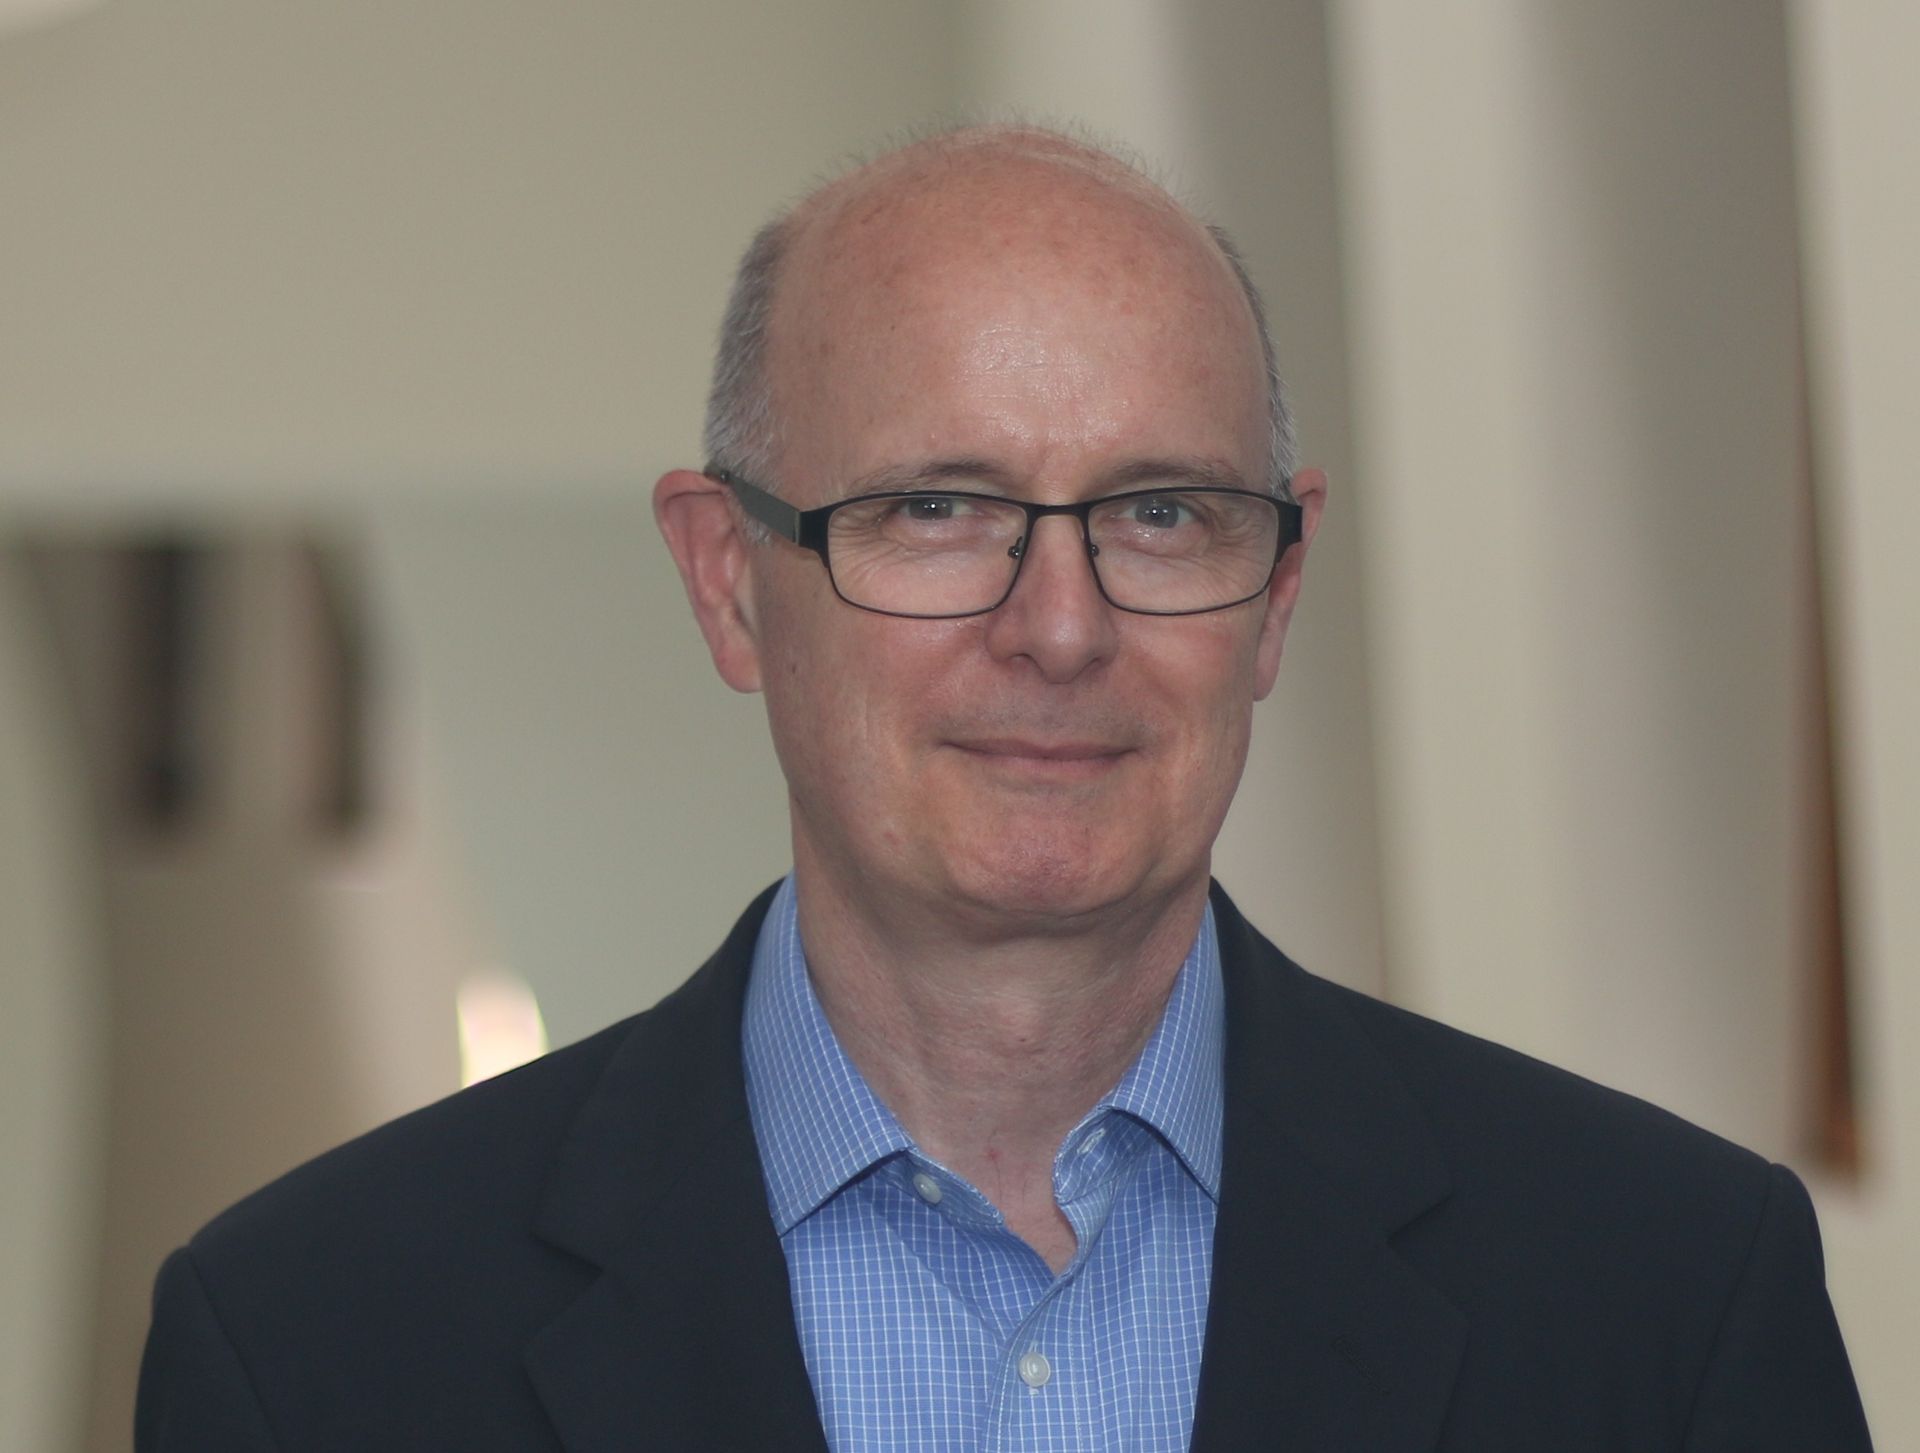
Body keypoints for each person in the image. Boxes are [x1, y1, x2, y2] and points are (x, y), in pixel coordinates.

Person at [136, 125, 1873, 1451]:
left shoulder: (1670, 1297)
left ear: (1276, 594)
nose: (1060, 627)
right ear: (728, 581)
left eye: (1165, 512)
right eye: (937, 509)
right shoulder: (311, 1347)